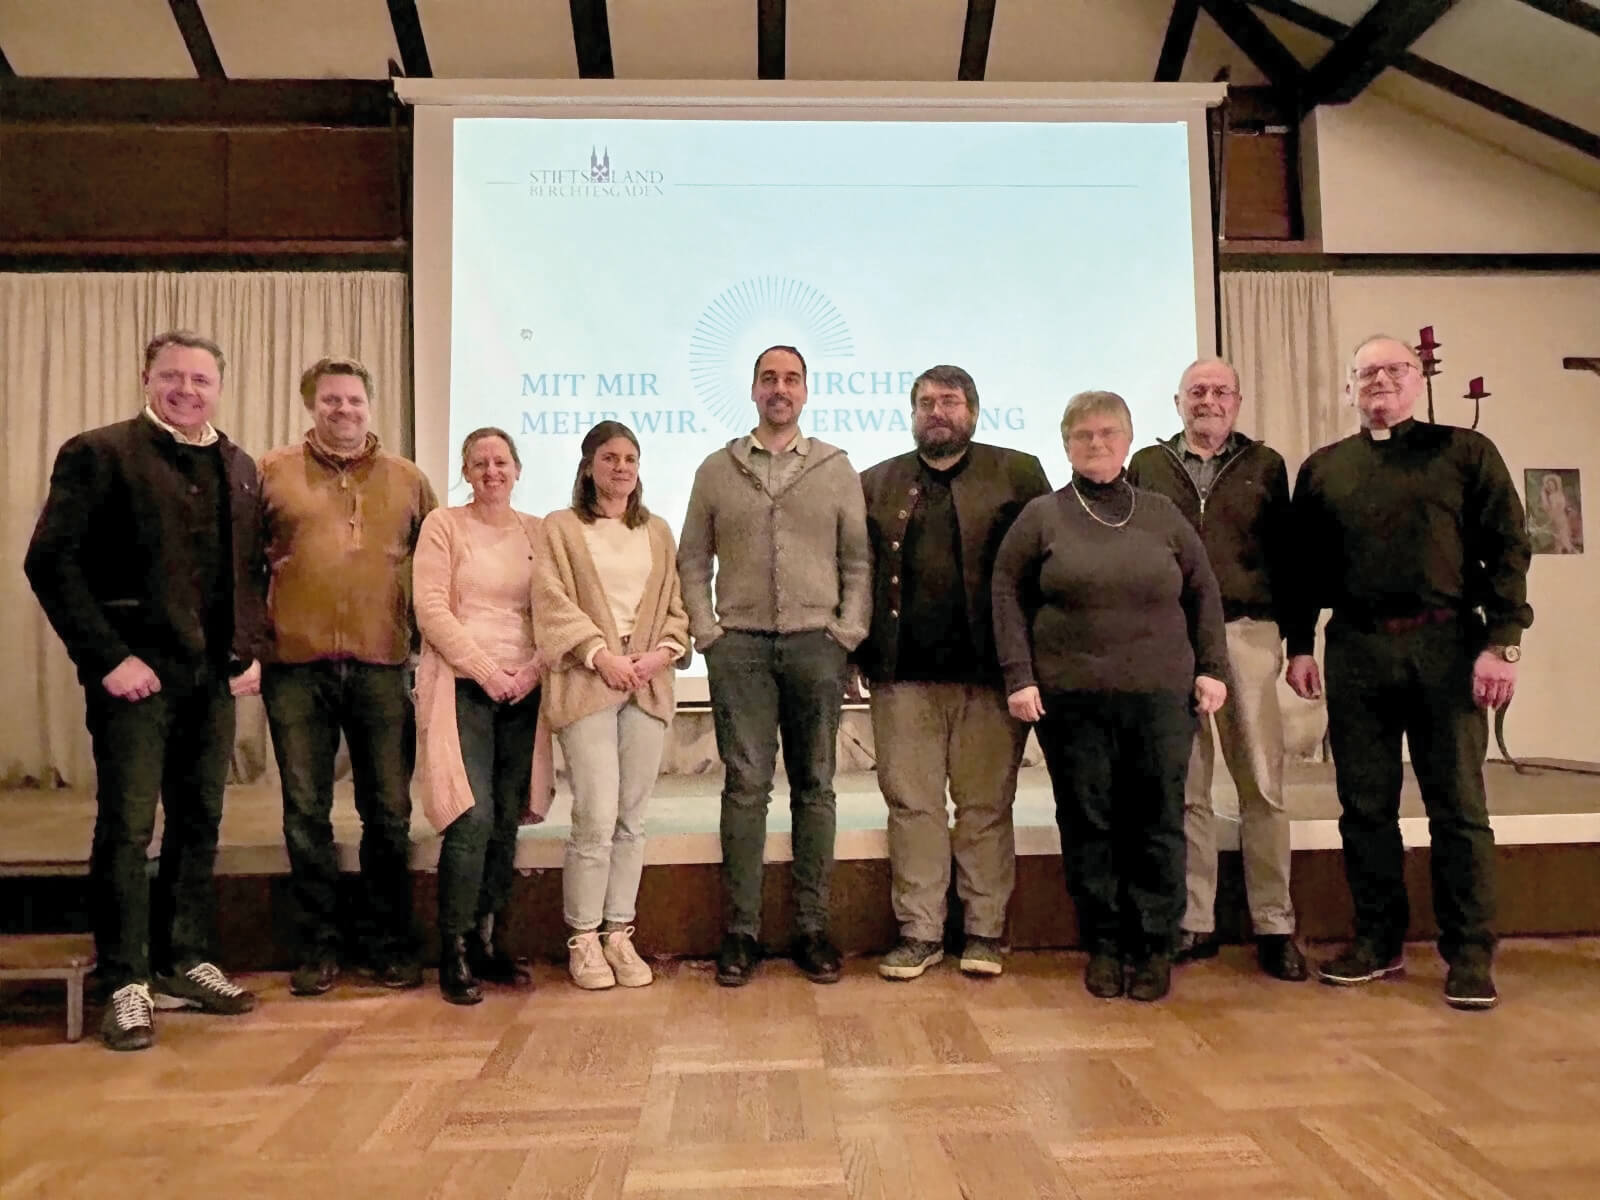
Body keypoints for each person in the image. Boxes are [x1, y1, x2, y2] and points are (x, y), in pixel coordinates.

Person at [25, 330, 267, 1050]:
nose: (187, 390)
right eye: (173, 377)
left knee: (199, 823)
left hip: (209, 681)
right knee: (129, 830)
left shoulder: (239, 464)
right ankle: (125, 981)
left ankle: (183, 960)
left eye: (201, 379)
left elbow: (248, 572)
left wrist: (245, 652)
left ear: (219, 387)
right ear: (147, 379)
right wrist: (109, 658)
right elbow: (51, 564)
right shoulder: (99, 453)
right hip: (134, 680)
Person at [1285, 334, 1532, 1010]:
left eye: (1394, 370)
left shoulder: (1465, 453)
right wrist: (1300, 644)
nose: (1379, 382)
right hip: (1357, 650)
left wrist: (1503, 641)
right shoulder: (1324, 469)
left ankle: (1471, 954)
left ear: (1418, 381)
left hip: (1448, 646)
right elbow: (1302, 567)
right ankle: (1378, 941)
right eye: (1366, 373)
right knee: (1364, 808)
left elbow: (1509, 547)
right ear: (1348, 388)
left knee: (1458, 807)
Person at [993, 390, 1228, 1003]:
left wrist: (1213, 668)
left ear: (1128, 442)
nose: (1095, 445)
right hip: (1072, 703)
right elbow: (1005, 596)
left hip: (1161, 700)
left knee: (1156, 822)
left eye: (1107, 434)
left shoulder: (1162, 514)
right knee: (1088, 823)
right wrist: (1020, 676)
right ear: (1065, 444)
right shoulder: (1041, 516)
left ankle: (1153, 947)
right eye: (1082, 436)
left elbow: (1203, 593)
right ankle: (1103, 944)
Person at [677, 345, 871, 987]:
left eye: (790, 379)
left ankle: (812, 930)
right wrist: (708, 632)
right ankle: (741, 934)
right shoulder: (717, 469)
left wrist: (847, 633)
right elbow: (692, 559)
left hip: (817, 645)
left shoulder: (837, 469)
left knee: (816, 785)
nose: (779, 388)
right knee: (745, 787)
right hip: (742, 650)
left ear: (806, 391)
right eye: (769, 378)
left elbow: (858, 563)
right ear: (753, 390)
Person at [858, 365, 1051, 981]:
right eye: (924, 402)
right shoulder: (876, 482)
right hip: (901, 677)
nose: (936, 411)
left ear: (973, 408)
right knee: (911, 806)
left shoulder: (1018, 473)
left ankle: (985, 931)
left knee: (985, 806)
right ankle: (919, 932)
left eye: (949, 401)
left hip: (991, 676)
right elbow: (856, 576)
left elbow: (1042, 572)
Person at [259, 356, 437, 996]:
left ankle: (386, 943)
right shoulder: (270, 473)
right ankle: (318, 946)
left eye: (354, 401)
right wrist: (251, 650)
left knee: (387, 813)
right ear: (312, 405)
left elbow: (437, 573)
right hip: (294, 668)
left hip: (383, 665)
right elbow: (246, 566)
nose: (344, 410)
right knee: (304, 812)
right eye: (331, 400)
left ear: (370, 405)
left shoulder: (408, 480)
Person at [1126, 358, 1305, 982]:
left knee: (1262, 785)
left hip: (1247, 634)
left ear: (1238, 400)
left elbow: (1290, 561)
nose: (1208, 400)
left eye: (1219, 391)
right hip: (1171, 639)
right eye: (1196, 391)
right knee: (1185, 790)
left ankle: (1275, 924)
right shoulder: (1148, 466)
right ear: (1178, 402)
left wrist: (1300, 641)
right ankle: (1193, 920)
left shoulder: (1266, 465)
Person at [533, 421, 690, 990]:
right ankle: (583, 938)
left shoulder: (658, 531)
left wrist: (658, 657)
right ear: (588, 465)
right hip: (588, 681)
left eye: (630, 458)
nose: (621, 467)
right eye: (609, 457)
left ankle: (619, 933)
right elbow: (549, 601)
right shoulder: (561, 528)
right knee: (595, 815)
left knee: (631, 818)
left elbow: (676, 605)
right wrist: (601, 655)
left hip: (646, 684)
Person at [413, 427, 545, 1005]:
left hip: (526, 690)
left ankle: (488, 940)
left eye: (501, 461)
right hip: (463, 686)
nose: (492, 471)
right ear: (465, 472)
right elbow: (431, 609)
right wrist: (486, 670)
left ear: (517, 469)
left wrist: (532, 671)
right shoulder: (444, 526)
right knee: (470, 817)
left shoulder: (538, 532)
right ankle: (454, 950)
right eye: (479, 462)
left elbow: (558, 611)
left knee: (505, 820)